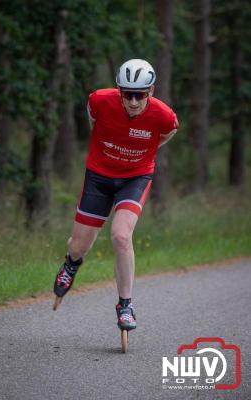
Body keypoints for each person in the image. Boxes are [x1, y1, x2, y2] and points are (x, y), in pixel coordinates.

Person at [53, 59, 179, 331]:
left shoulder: (164, 115)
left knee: (121, 236)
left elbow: (165, 135)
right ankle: (71, 264)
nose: (133, 101)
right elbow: (93, 122)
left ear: (151, 91)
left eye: (140, 95)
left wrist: (140, 151)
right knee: (78, 245)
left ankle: (125, 305)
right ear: (118, 90)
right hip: (98, 176)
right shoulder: (99, 101)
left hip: (135, 178)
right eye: (127, 94)